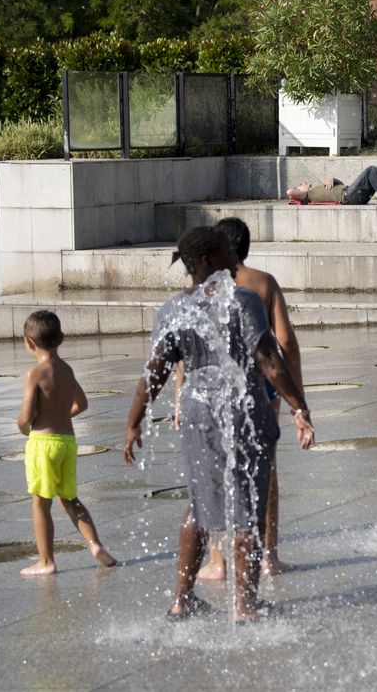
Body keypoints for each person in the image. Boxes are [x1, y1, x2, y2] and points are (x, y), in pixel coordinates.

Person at [122, 227, 316, 621]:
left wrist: (133, 421)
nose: (234, 260)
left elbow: (155, 372)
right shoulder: (242, 300)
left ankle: (182, 599)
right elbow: (268, 359)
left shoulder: (173, 308)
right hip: (241, 408)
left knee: (198, 503)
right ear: (208, 261)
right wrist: (299, 405)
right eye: (227, 252)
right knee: (248, 506)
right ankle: (245, 605)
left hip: (196, 410)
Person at [212, 217, 303, 577]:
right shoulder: (264, 283)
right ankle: (269, 557)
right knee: (265, 466)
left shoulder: (208, 287)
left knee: (220, 468)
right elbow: (287, 342)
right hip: (264, 384)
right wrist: (297, 393)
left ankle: (219, 562)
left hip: (219, 386)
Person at [16, 310, 116, 577]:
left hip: (43, 444)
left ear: (29, 343)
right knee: (70, 498)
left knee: (40, 502)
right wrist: (61, 415)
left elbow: (25, 417)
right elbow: (81, 404)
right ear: (61, 339)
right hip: (68, 442)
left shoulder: (35, 374)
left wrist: (25, 427)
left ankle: (46, 561)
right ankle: (95, 545)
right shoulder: (67, 370)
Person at [286, 165, 377, 205]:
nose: (303, 183)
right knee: (370, 170)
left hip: (350, 192)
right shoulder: (307, 195)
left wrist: (334, 179)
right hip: (348, 197)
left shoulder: (316, 190)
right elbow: (289, 192)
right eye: (299, 185)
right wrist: (296, 190)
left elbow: (342, 186)